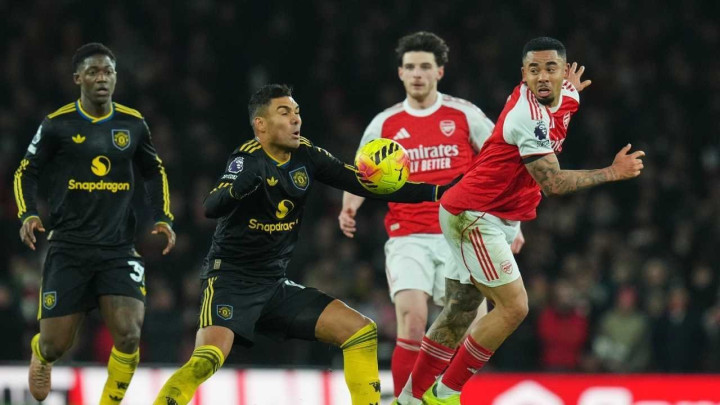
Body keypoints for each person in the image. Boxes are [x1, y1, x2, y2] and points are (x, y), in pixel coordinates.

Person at [153, 84, 456, 405]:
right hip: (231, 282)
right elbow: (210, 206)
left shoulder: (306, 155)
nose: (296, 119)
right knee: (206, 360)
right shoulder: (248, 159)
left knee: (360, 332)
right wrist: (238, 188)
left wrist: (438, 192)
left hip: (275, 285)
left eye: (297, 112)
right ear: (261, 125)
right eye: (284, 113)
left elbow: (361, 183)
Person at [401, 36, 645, 405]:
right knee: (514, 307)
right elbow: (553, 183)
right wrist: (611, 172)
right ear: (523, 74)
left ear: (563, 73)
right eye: (534, 70)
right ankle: (444, 394)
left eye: (550, 68)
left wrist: (571, 91)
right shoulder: (526, 116)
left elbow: (565, 102)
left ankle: (408, 399)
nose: (542, 76)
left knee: (460, 311)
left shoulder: (567, 94)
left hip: (490, 212)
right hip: (475, 215)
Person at [338, 31, 525, 398]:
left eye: (425, 66)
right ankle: (406, 400)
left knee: (472, 323)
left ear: (440, 71)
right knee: (412, 318)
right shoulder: (385, 123)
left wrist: (509, 222)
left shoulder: (464, 114)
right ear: (400, 73)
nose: (417, 74)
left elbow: (500, 161)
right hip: (407, 236)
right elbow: (362, 172)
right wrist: (349, 206)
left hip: (460, 234)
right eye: (410, 67)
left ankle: (443, 395)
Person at [13, 42, 176, 403]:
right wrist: (28, 213)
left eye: (108, 72)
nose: (102, 78)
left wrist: (163, 216)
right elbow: (26, 171)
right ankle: (41, 354)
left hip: (118, 248)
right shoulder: (57, 124)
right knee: (56, 345)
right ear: (77, 78)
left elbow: (154, 171)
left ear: (116, 77)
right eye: (93, 72)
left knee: (130, 335)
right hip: (68, 248)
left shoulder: (133, 124)